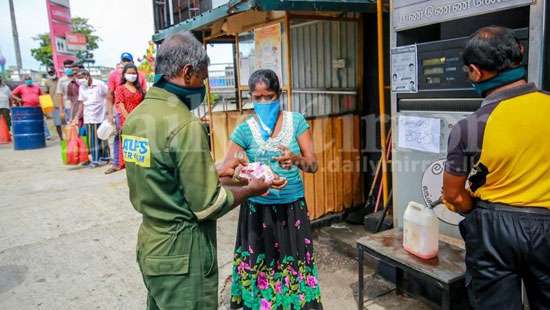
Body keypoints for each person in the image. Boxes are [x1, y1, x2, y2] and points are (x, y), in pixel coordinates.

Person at [122, 32, 276, 310]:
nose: (203, 85)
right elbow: (209, 204)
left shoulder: (138, 117)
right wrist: (252, 188)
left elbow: (165, 174)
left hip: (152, 245)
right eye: (202, 78)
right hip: (183, 253)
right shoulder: (183, 124)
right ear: (187, 72)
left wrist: (214, 170)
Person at [442, 26, 550, 309]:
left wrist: (475, 212)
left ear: (476, 72)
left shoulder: (471, 126)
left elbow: (453, 195)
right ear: (520, 54)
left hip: (494, 230)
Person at [223, 69, 322, 310]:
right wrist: (248, 176)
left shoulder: (295, 122)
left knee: (294, 267)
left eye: (269, 96)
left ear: (279, 95)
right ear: (251, 98)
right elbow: (226, 172)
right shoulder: (244, 130)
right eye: (258, 97)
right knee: (261, 266)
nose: (264, 102)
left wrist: (295, 159)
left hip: (292, 211)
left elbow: (313, 165)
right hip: (257, 211)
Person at [104, 63, 145, 174]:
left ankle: (138, 163)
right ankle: (121, 164)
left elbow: (143, 104)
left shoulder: (139, 89)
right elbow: (120, 105)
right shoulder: (120, 88)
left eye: (134, 73)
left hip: (139, 118)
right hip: (125, 119)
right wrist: (130, 119)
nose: (132, 75)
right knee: (125, 141)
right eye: (129, 73)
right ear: (124, 74)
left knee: (138, 141)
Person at [72, 70, 109, 168]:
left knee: (103, 137)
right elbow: (81, 103)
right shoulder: (82, 87)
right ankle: (95, 160)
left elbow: (109, 96)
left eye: (81, 78)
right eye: (78, 78)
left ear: (87, 76)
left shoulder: (100, 84)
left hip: (101, 115)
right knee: (92, 139)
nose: (80, 80)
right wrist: (76, 117)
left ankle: (106, 156)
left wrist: (109, 112)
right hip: (89, 116)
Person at [56, 61, 81, 127]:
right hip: (68, 107)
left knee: (80, 125)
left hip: (79, 106)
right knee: (70, 126)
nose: (68, 69)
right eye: (66, 67)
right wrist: (61, 110)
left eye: (69, 67)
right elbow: (60, 95)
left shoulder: (79, 79)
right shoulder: (62, 80)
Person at [43, 68, 63, 140]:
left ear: (55, 72)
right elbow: (45, 94)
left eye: (52, 72)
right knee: (58, 123)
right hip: (54, 105)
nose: (51, 74)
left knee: (67, 122)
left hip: (64, 104)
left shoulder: (61, 80)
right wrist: (47, 108)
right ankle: (61, 138)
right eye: (50, 73)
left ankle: (70, 137)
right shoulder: (47, 82)